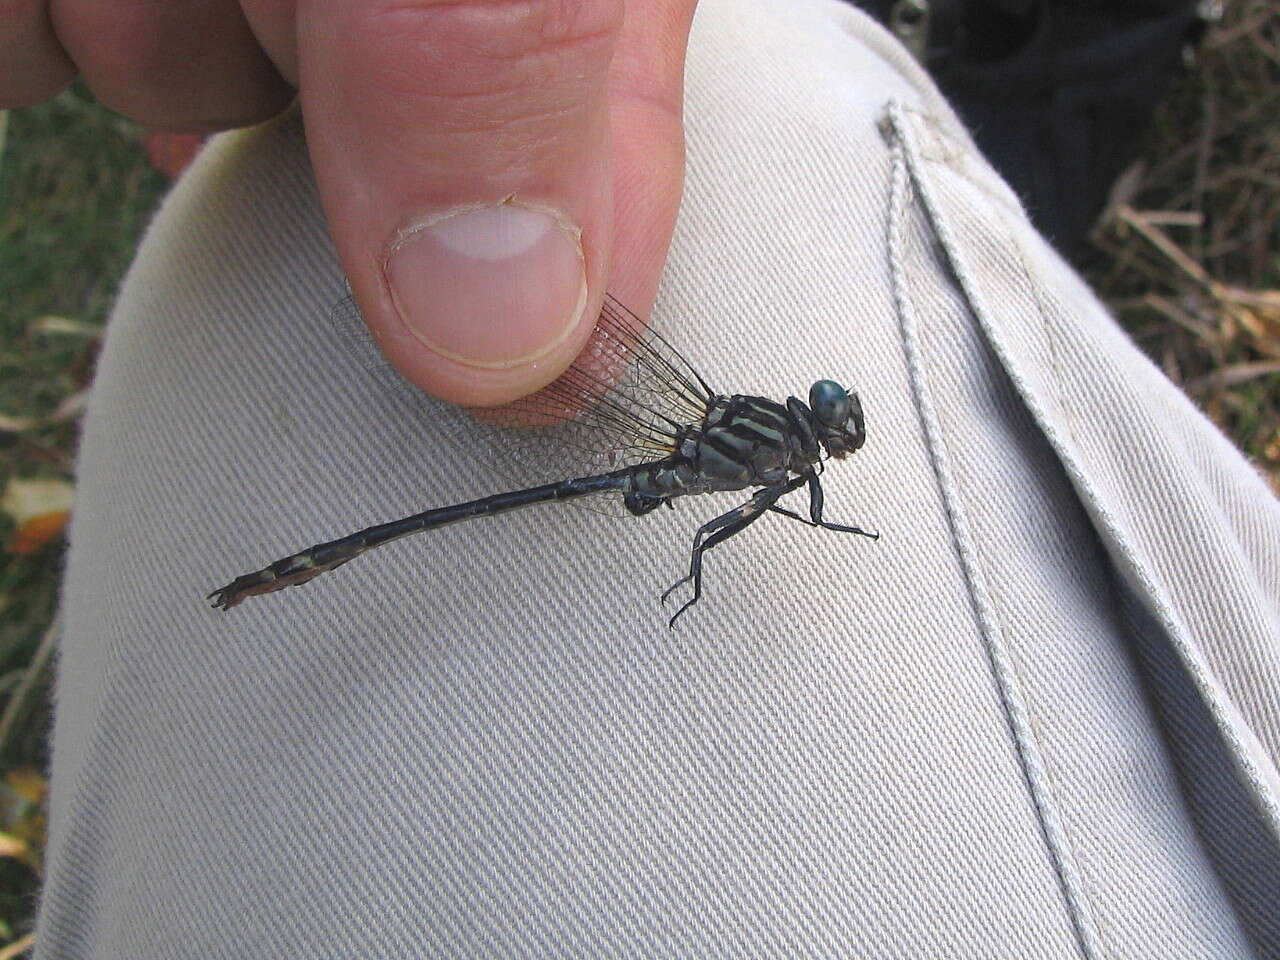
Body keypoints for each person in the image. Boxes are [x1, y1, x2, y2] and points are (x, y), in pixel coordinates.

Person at [6, 1, 1278, 956]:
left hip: (655, 449)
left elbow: (764, 510)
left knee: (761, 50)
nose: (829, 437)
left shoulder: (764, 442)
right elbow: (762, 520)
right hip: (641, 447)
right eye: (829, 428)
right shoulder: (773, 455)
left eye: (827, 429)